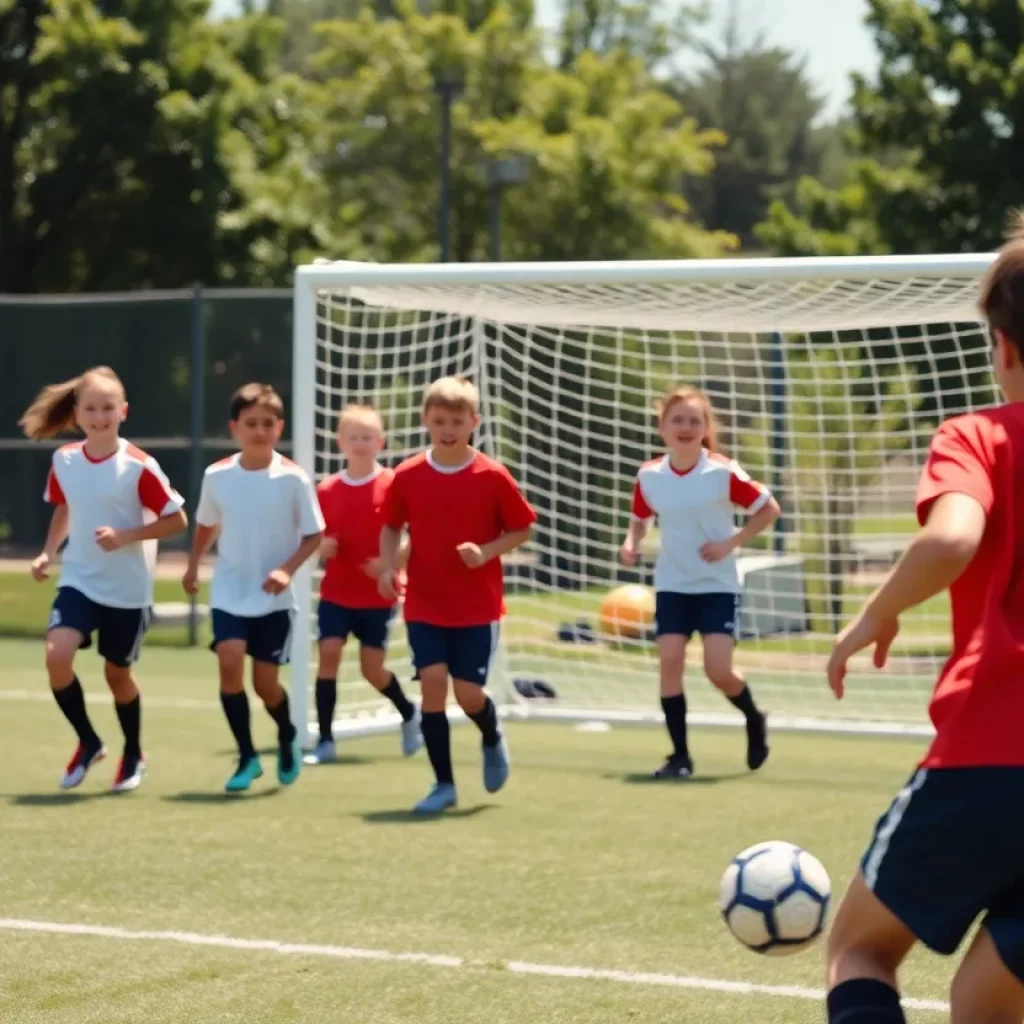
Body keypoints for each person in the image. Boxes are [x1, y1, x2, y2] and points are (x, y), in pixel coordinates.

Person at [822, 224, 1024, 1023]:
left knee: (859, 951)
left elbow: (950, 538)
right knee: (986, 1004)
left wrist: (875, 612)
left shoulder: (978, 435)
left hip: (986, 755)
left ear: (1002, 346)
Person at [19, 365, 187, 792]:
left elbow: (177, 520)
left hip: (128, 591)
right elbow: (65, 508)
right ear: (77, 414)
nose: (99, 416)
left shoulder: (139, 467)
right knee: (58, 655)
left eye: (107, 408)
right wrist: (47, 552)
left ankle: (133, 753)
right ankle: (89, 741)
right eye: (91, 408)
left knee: (117, 676)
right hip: (79, 579)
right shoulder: (65, 459)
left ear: (123, 411)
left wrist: (127, 536)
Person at [378, 376, 536, 814]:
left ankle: (490, 733)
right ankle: (443, 784)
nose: (448, 428)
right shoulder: (408, 474)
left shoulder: (492, 475)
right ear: (426, 420)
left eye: (458, 420)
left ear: (474, 422)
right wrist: (390, 566)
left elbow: (522, 527)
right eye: (440, 420)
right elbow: (391, 525)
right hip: (425, 603)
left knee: (467, 694)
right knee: (432, 684)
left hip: (476, 606)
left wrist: (485, 552)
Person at [620, 385, 779, 779]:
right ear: (663, 428)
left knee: (717, 670)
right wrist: (631, 541)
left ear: (706, 427)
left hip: (716, 586)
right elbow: (641, 516)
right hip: (673, 585)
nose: (686, 427)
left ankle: (754, 717)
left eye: (695, 420)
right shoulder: (650, 475)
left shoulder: (722, 471)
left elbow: (767, 509)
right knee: (669, 661)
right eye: (678, 420)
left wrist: (731, 543)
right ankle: (680, 757)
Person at [183, 383, 324, 793]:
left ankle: (286, 736)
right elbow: (207, 524)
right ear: (235, 428)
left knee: (265, 684)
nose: (259, 430)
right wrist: (193, 566)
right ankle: (246, 756)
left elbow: (314, 536)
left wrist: (286, 570)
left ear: (279, 427)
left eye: (267, 423)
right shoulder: (217, 476)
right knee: (229, 659)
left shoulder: (294, 479)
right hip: (230, 589)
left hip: (274, 598)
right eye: (251, 424)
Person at [305, 404, 419, 766]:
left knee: (373, 669)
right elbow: (311, 536)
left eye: (367, 437)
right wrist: (320, 546)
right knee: (329, 655)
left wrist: (390, 563)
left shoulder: (394, 485)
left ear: (380, 442)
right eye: (353, 437)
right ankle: (325, 740)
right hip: (336, 593)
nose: (360, 443)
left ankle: (408, 712)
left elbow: (416, 536)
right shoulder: (326, 489)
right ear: (340, 442)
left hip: (378, 597)